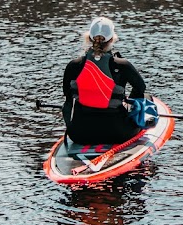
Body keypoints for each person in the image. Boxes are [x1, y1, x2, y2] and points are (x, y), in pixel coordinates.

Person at [62, 17, 147, 145]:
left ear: (89, 38)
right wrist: (126, 101)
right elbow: (141, 88)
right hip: (118, 134)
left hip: (79, 134)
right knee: (147, 97)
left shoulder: (74, 65)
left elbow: (68, 96)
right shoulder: (123, 65)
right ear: (112, 39)